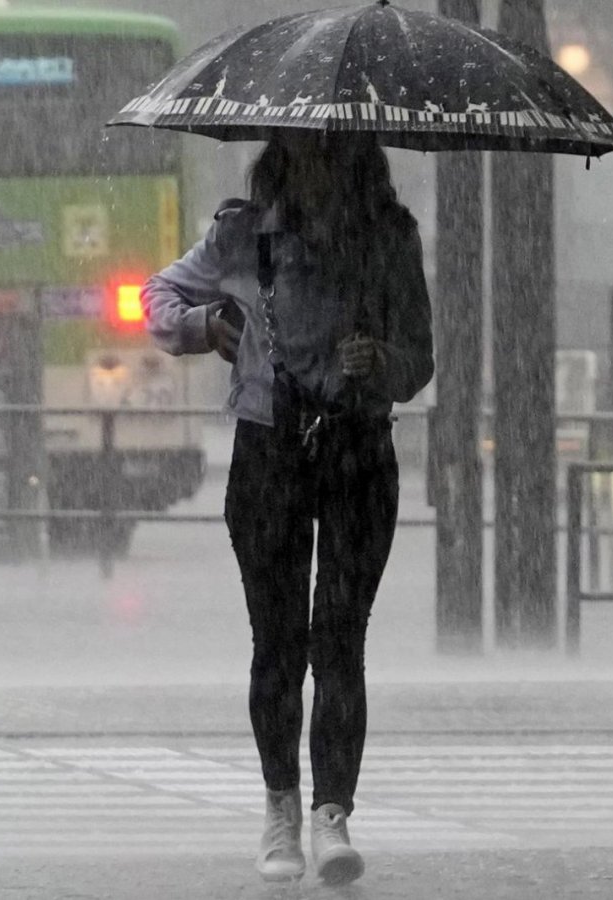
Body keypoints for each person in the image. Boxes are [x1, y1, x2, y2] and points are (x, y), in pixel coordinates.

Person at [144, 132, 433, 885]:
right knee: (278, 642)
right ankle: (282, 807)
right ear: (284, 158)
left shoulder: (391, 239)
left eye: (333, 153)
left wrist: (386, 362)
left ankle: (333, 812)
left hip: (358, 449)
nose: (319, 168)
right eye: (306, 152)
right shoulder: (244, 232)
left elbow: (421, 357)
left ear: (356, 160)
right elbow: (160, 295)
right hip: (269, 450)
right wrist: (204, 326)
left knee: (341, 640)